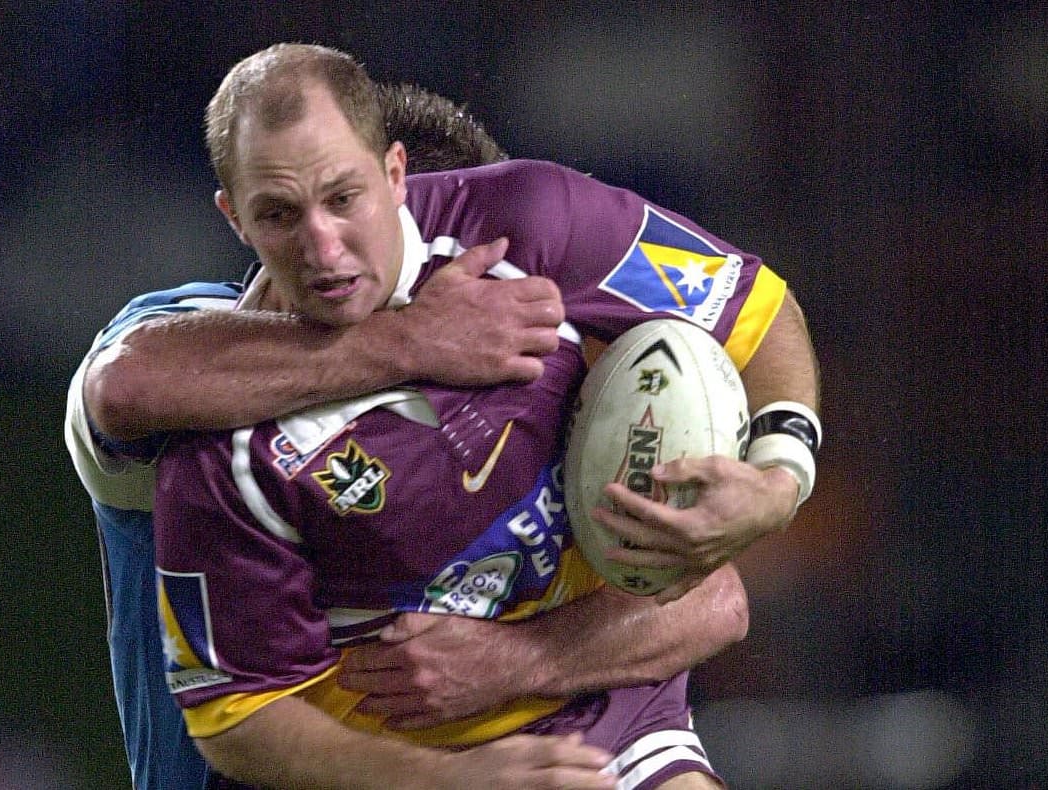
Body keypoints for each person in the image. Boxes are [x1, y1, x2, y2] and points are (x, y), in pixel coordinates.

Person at [152, 43, 819, 789]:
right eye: (279, 214)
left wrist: (780, 478)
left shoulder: (534, 227)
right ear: (234, 218)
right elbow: (238, 717)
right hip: (402, 767)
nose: (323, 248)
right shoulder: (219, 439)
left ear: (395, 173)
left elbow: (755, 311)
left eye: (344, 198)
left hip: (604, 709)